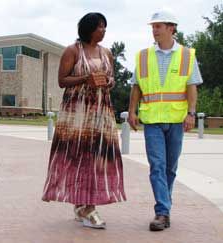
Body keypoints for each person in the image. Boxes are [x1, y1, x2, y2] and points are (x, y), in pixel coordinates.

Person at [42, 12, 126, 229]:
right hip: (77, 114)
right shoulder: (73, 51)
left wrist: (107, 82)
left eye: (105, 27)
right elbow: (62, 81)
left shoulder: (107, 52)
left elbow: (113, 79)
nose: (104, 31)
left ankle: (84, 205)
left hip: (101, 112)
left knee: (97, 157)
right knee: (79, 156)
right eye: (100, 27)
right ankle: (86, 207)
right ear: (89, 28)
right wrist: (85, 78)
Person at [128, 10, 203, 231]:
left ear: (171, 28)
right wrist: (132, 111)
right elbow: (136, 87)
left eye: (158, 26)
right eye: (152, 26)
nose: (154, 30)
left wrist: (191, 113)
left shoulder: (187, 55)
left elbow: (192, 87)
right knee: (157, 166)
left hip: (177, 120)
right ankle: (162, 212)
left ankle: (165, 207)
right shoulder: (143, 56)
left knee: (170, 168)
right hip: (152, 121)